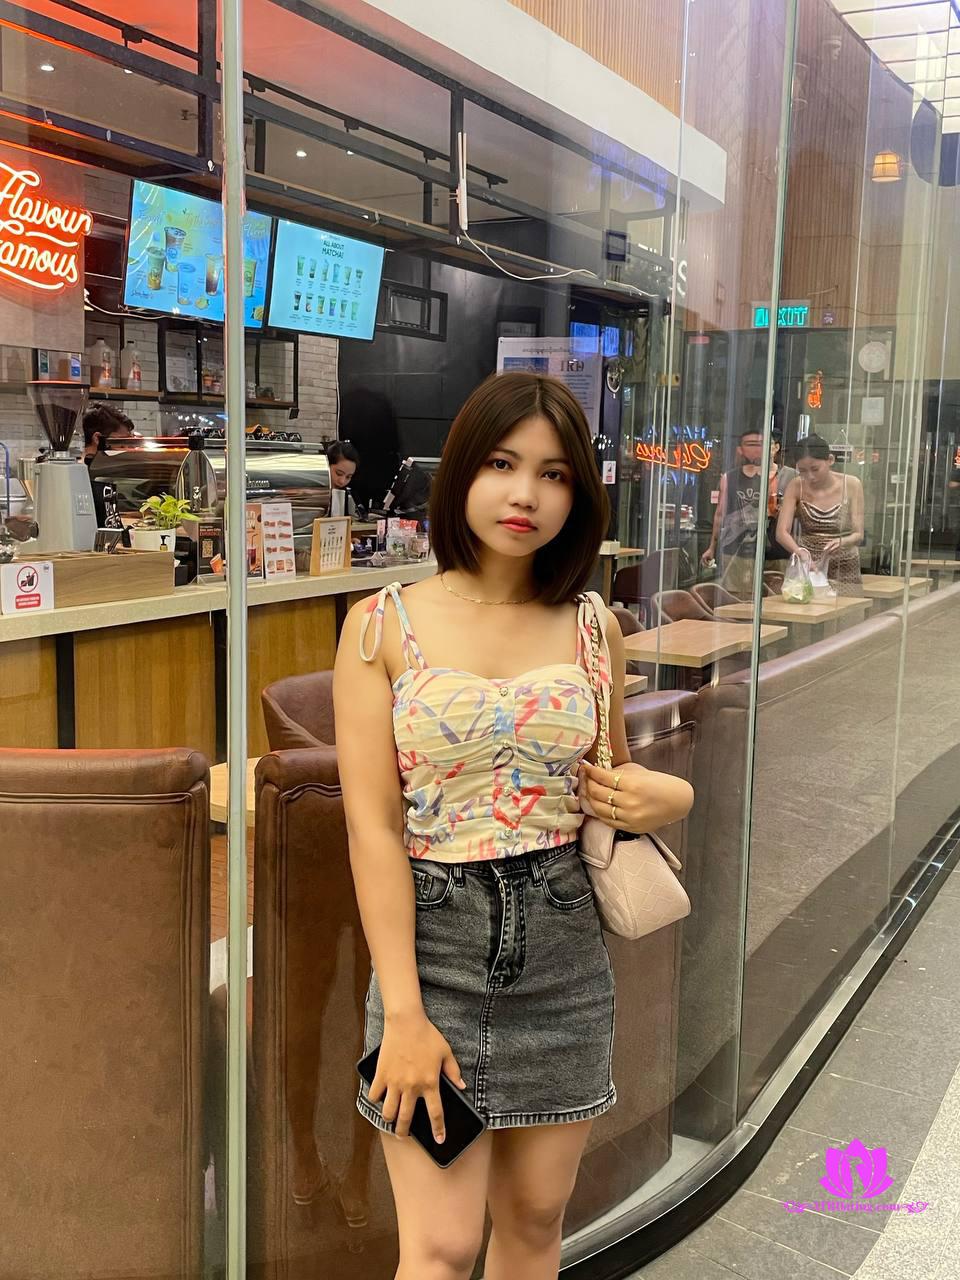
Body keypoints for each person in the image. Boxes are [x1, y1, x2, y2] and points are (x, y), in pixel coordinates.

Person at [333, 371, 693, 1280]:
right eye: (501, 464)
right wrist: (403, 1013)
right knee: (441, 1248)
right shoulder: (380, 625)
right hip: (434, 955)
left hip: (565, 956)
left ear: (579, 494)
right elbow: (372, 830)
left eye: (554, 473)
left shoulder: (592, 626)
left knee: (535, 1222)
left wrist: (672, 798)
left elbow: (611, 781)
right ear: (461, 471)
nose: (525, 493)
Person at [701, 427, 787, 596]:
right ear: (740, 449)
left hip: (776, 551)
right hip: (738, 551)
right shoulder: (730, 477)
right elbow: (720, 514)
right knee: (737, 598)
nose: (757, 449)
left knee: (775, 599)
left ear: (774, 447)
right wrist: (712, 547)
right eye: (750, 444)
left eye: (761, 444)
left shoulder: (788, 476)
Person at [776, 433, 864, 594]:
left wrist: (843, 541)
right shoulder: (796, 486)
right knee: (807, 603)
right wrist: (800, 552)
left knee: (847, 608)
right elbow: (781, 532)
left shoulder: (852, 484)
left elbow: (858, 534)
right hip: (809, 564)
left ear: (830, 460)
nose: (810, 476)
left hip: (845, 566)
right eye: (802, 470)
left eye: (815, 469)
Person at [326, 440, 361, 517]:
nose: (342, 481)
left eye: (348, 477)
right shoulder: (314, 492)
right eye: (339, 473)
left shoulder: (348, 495)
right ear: (327, 465)